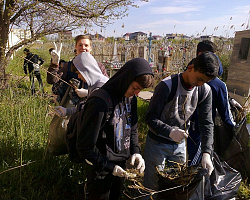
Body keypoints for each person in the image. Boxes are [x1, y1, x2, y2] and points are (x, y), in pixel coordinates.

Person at [143, 52, 220, 198]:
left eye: (204, 81)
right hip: (157, 143)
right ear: (191, 67)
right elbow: (150, 118)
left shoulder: (204, 91)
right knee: (151, 186)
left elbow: (207, 123)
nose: (200, 84)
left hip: (179, 145)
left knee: (178, 185)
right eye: (199, 79)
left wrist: (206, 153)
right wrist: (170, 131)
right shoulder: (167, 86)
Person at [76, 58, 154, 200]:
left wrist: (136, 152)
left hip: (121, 166)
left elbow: (132, 127)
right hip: (100, 168)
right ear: (126, 79)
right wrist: (109, 167)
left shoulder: (131, 99)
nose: (136, 93)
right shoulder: (100, 102)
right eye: (135, 87)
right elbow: (85, 146)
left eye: (140, 90)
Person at [188, 40, 242, 166]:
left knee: (186, 161)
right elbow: (226, 117)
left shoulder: (188, 76)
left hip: (184, 129)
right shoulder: (218, 85)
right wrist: (236, 130)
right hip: (202, 131)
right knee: (198, 164)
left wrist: (229, 99)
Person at [47, 35, 108, 103]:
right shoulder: (69, 66)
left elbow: (107, 89)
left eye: (86, 45)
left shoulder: (99, 67)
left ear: (90, 48)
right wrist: (54, 64)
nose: (83, 48)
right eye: (80, 45)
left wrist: (88, 93)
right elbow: (52, 80)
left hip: (92, 105)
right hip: (70, 107)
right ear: (76, 47)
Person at [53, 52, 109, 118]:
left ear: (87, 70)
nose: (79, 77)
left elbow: (92, 117)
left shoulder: (100, 86)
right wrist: (68, 111)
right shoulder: (95, 85)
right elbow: (87, 108)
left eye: (79, 73)